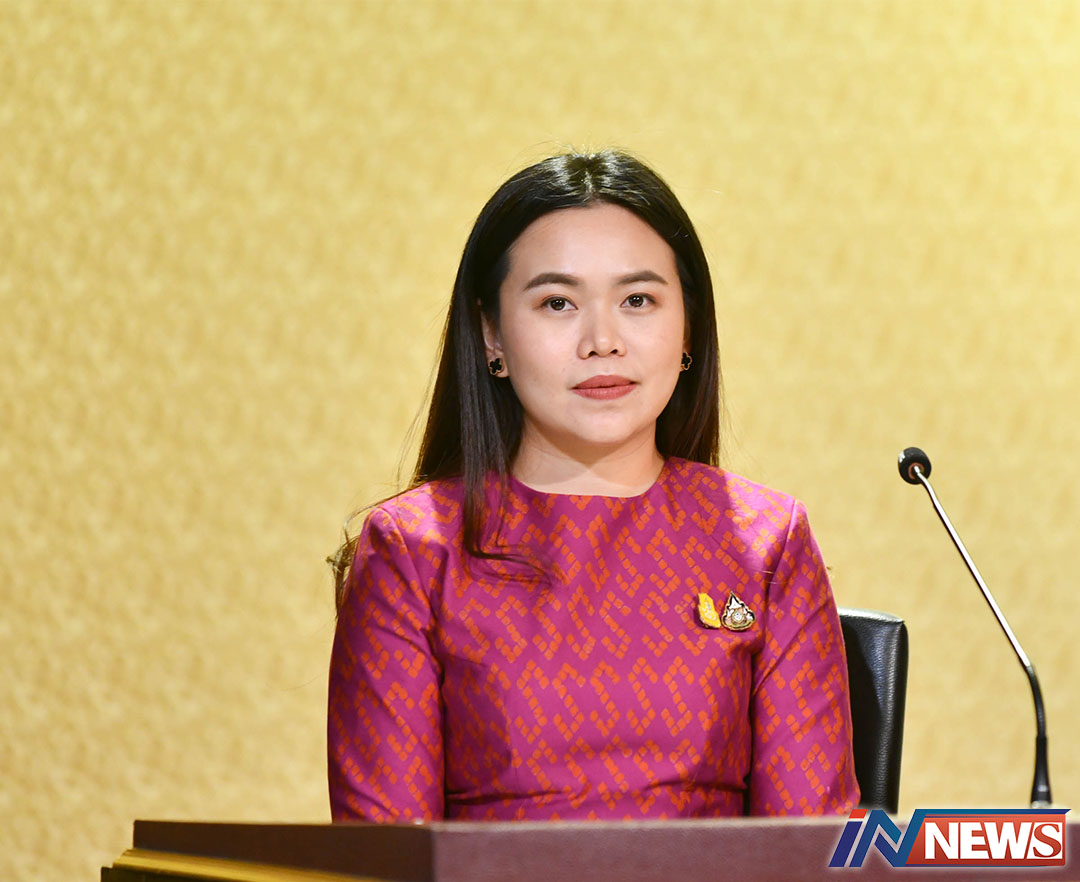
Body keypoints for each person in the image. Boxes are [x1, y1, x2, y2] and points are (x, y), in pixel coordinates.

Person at [328, 149, 859, 822]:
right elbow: (386, 855)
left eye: (638, 300)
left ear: (688, 328)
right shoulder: (412, 549)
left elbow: (813, 847)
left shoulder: (766, 541)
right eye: (557, 303)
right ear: (491, 335)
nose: (602, 341)